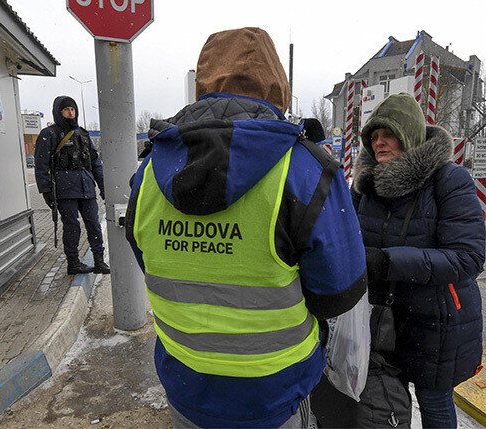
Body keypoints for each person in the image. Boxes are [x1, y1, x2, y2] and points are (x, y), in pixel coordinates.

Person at [125, 27, 367, 428]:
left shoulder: (149, 171)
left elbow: (147, 258)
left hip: (186, 388)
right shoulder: (305, 170)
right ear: (278, 90)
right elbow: (339, 293)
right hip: (273, 398)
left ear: (203, 85)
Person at [351, 94, 485, 428]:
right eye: (373, 136)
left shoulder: (449, 180)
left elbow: (468, 258)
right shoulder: (366, 185)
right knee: (382, 401)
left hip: (435, 321)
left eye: (388, 134)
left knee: (434, 402)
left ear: (409, 134)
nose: (378, 142)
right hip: (380, 318)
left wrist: (387, 262)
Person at [35, 96, 109, 275]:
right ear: (59, 112)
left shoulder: (82, 133)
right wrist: (46, 191)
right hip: (65, 189)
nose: (71, 113)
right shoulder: (49, 134)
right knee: (71, 226)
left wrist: (103, 186)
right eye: (66, 109)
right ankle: (73, 262)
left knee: (93, 224)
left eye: (73, 109)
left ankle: (99, 260)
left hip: (87, 187)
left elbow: (95, 162)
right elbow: (41, 164)